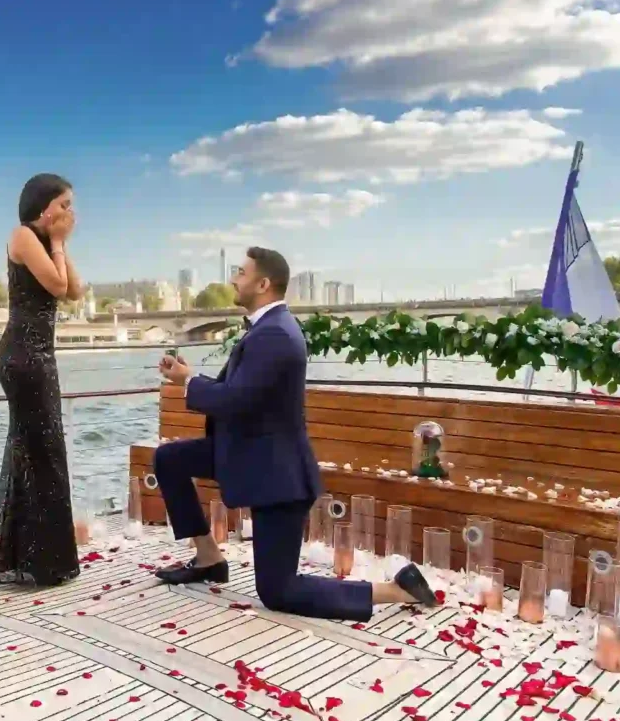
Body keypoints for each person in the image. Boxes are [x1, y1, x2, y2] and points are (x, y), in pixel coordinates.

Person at [153, 247, 436, 621]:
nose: (234, 279)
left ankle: (397, 590)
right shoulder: (268, 330)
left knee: (277, 590)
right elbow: (242, 394)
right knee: (169, 459)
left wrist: (187, 381)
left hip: (276, 476)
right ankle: (209, 558)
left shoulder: (274, 335)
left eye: (241, 272)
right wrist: (193, 378)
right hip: (248, 454)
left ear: (263, 283)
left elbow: (235, 401)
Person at [0, 173, 85, 586]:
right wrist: (58, 244)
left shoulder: (46, 244)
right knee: (42, 452)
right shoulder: (23, 236)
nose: (70, 213)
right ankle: (41, 561)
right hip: (24, 357)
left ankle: (33, 557)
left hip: (41, 356)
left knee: (40, 451)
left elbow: (76, 290)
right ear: (43, 207)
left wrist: (62, 244)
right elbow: (58, 287)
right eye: (64, 205)